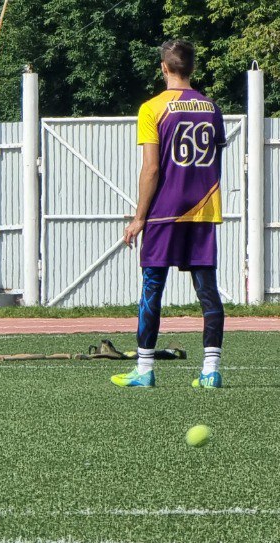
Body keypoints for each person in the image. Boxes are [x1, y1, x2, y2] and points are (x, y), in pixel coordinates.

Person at [113, 39, 225, 389]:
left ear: (164, 68)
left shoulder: (152, 108)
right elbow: (216, 160)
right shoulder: (212, 108)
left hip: (164, 212)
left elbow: (151, 169)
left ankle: (144, 369)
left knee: (152, 288)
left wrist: (139, 217)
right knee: (208, 292)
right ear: (192, 68)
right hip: (204, 210)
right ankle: (211, 371)